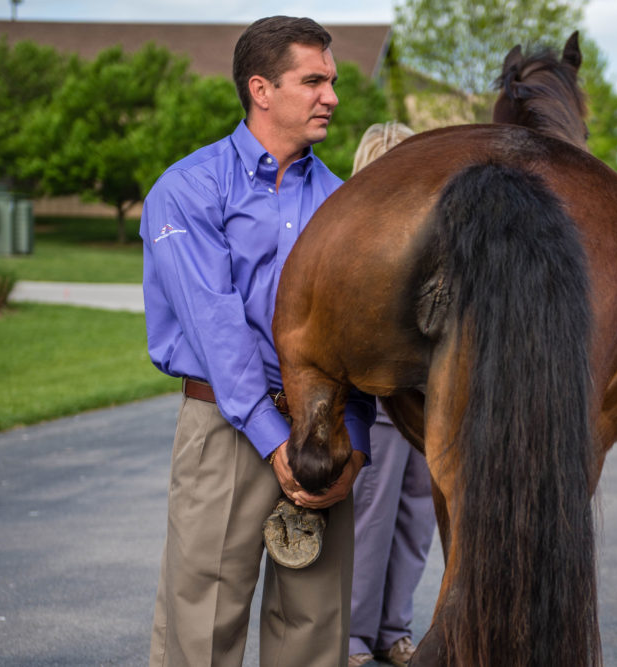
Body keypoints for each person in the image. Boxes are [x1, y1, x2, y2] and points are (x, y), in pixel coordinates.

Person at [140, 16, 375, 667]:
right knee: (202, 623)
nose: (331, 95)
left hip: (324, 423)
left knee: (314, 625)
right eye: (314, 80)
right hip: (223, 422)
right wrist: (276, 439)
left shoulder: (346, 204)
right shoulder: (187, 191)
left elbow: (361, 335)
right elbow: (217, 329)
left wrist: (351, 445)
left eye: (331, 80)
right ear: (261, 89)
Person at [346, 123, 437, 667]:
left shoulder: (435, 233)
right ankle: (354, 637)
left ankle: (392, 630)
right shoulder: (354, 234)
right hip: (378, 403)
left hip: (427, 403)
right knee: (372, 520)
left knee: (416, 518)